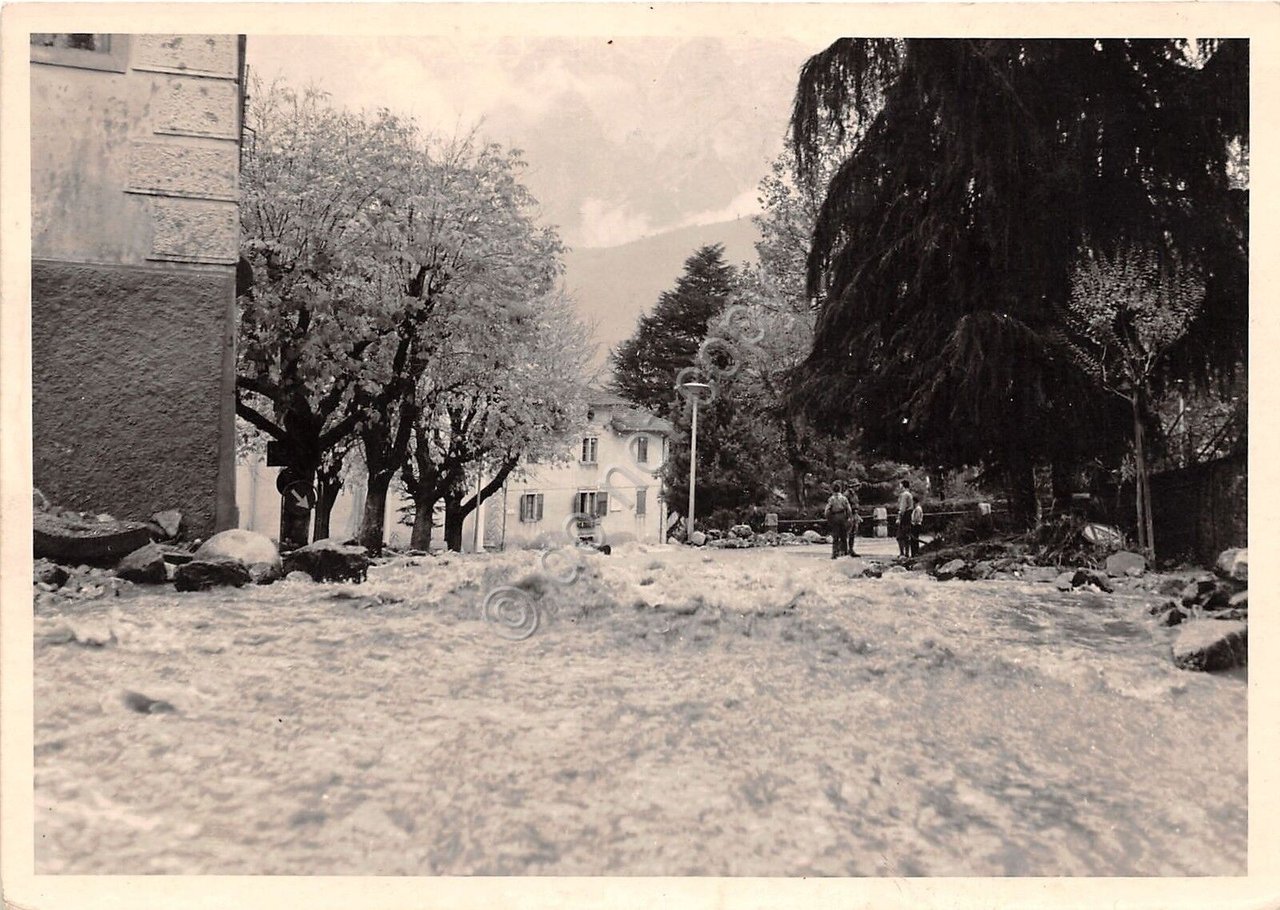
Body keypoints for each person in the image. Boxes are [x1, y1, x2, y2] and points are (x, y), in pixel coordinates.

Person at [823, 480, 852, 559]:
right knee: (843, 536)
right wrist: (848, 517)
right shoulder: (844, 498)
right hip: (842, 516)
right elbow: (849, 509)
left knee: (835, 536)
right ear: (840, 489)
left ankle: (834, 553)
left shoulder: (831, 499)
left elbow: (827, 510)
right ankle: (845, 552)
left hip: (835, 516)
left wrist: (829, 518)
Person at [896, 480, 914, 557]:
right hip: (909, 516)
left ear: (903, 485)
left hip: (905, 516)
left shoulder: (904, 495)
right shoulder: (910, 494)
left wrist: (899, 518)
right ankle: (906, 553)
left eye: (900, 485)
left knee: (900, 536)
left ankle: (902, 553)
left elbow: (902, 508)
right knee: (906, 535)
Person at [846, 480, 862, 557]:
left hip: (854, 514)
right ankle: (845, 550)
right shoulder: (847, 495)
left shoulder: (854, 494)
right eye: (856, 486)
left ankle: (851, 549)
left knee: (853, 533)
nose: (858, 487)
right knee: (847, 533)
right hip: (849, 515)